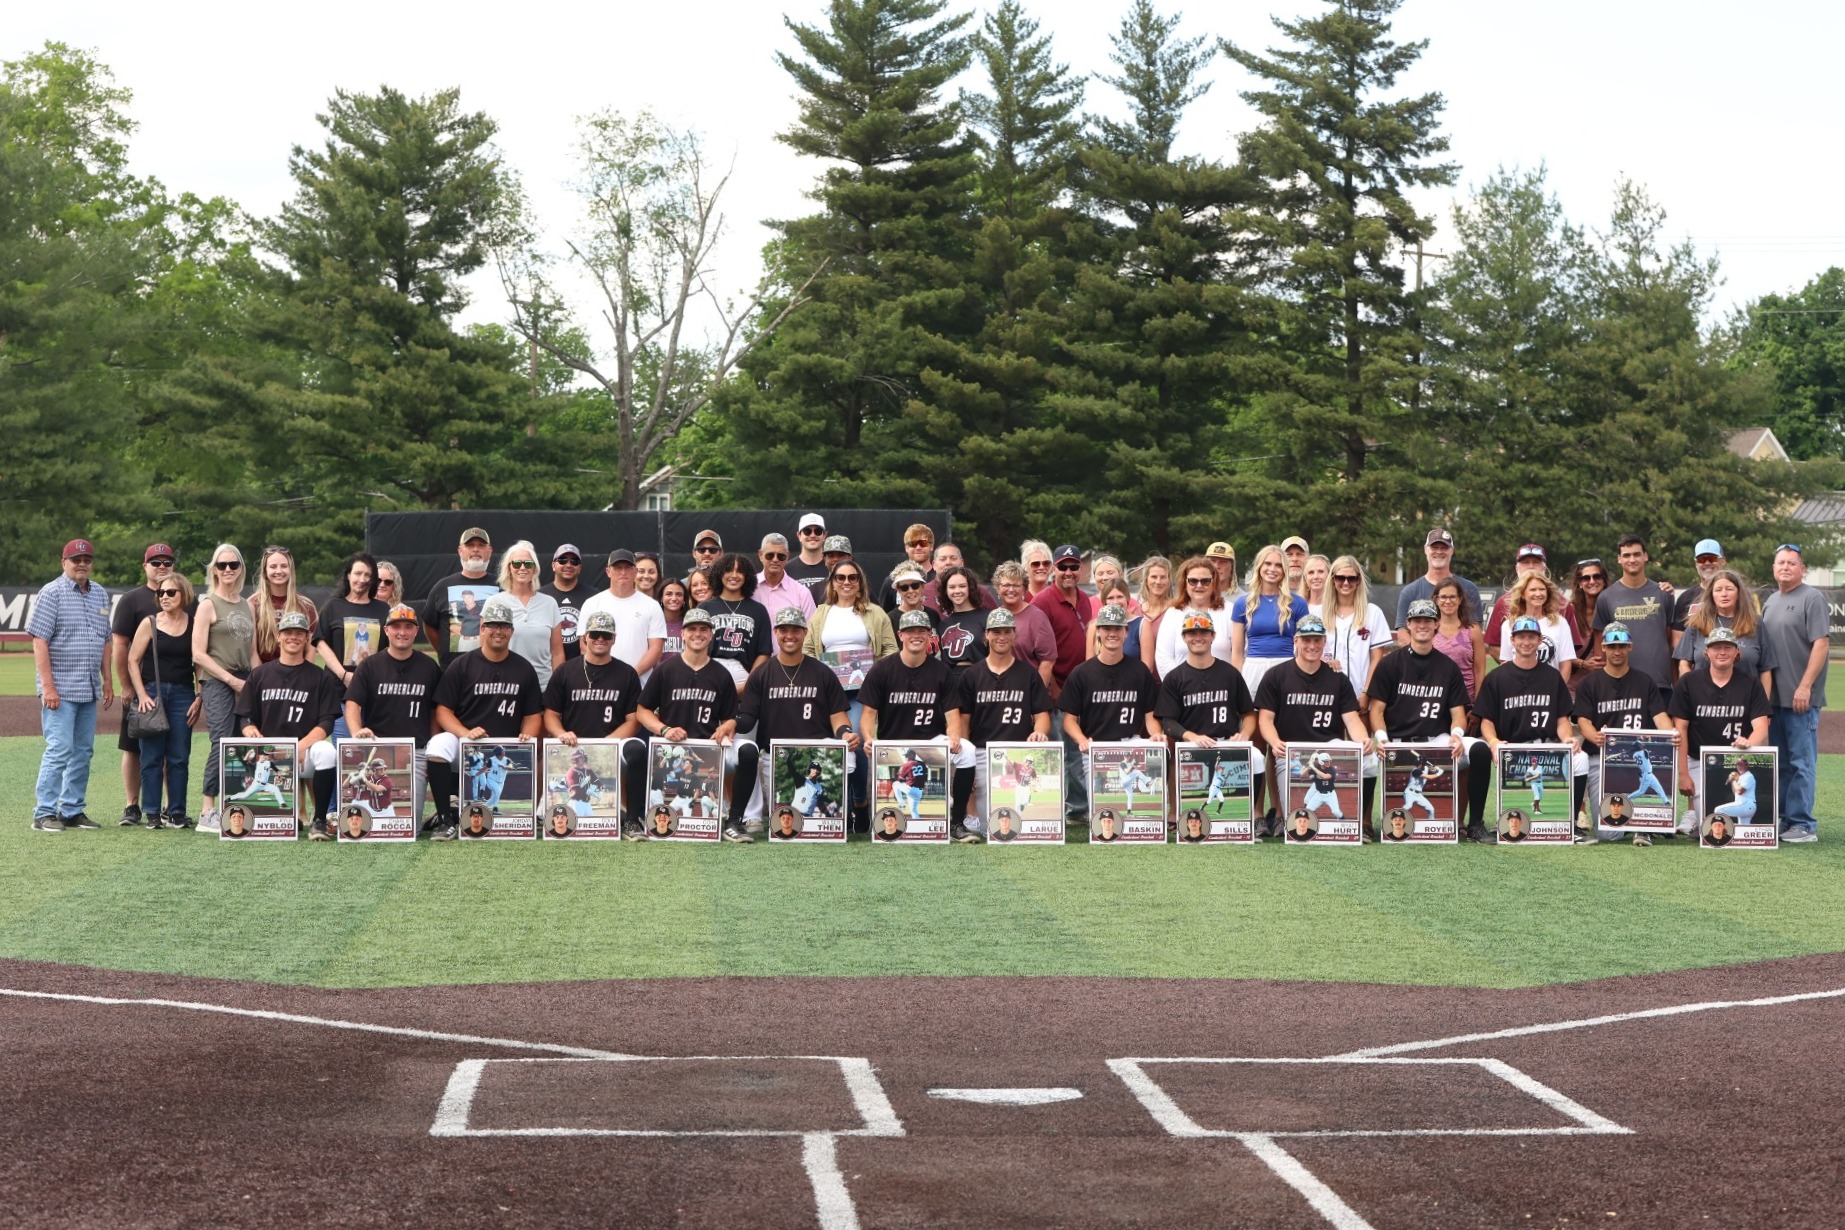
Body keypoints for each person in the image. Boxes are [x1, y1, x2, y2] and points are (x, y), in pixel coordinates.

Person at [1368, 598, 1491, 840]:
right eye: (1417, 620)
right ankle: (1364, 824)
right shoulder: (1390, 664)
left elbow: (1458, 715)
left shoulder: (1448, 667)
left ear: (1436, 624)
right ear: (1408, 624)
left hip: (1437, 741)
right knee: (1366, 760)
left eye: (1427, 620)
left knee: (1479, 750)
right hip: (1399, 743)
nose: (1422, 625)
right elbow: (1377, 710)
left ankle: (1475, 824)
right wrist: (1381, 739)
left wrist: (1457, 736)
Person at [426, 597, 545, 839]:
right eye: (492, 625)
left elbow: (533, 715)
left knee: (499, 793)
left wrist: (527, 737)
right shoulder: (462, 665)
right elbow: (443, 711)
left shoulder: (523, 668)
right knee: (437, 746)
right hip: (467, 746)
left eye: (503, 626)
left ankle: (515, 815)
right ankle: (445, 820)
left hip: (504, 749)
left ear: (511, 631)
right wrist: (465, 733)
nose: (498, 631)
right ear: (482, 628)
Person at [861, 608, 978, 840]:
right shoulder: (882, 669)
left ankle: (956, 822)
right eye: (910, 631)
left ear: (929, 635)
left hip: (930, 740)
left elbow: (952, 715)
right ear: (900, 635)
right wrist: (868, 738)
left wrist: (954, 736)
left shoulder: (941, 671)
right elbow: (868, 713)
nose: (916, 635)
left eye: (921, 631)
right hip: (894, 742)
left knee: (968, 751)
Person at [636, 607, 751, 841]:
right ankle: (640, 817)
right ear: (682, 633)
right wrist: (664, 729)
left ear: (711, 635)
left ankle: (735, 820)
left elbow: (730, 716)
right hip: (672, 749)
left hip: (711, 748)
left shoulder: (721, 674)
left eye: (703, 629)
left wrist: (727, 726)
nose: (697, 634)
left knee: (748, 751)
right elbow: (642, 710)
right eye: (692, 629)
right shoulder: (666, 669)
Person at [738, 606, 856, 835]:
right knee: (787, 823)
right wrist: (730, 722)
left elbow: (837, 714)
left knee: (849, 754)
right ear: (775, 632)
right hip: (778, 755)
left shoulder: (822, 672)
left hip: (817, 750)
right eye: (784, 630)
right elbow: (748, 718)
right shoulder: (761, 673)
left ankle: (843, 815)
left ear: (805, 633)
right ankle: (751, 815)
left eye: (795, 630)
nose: (789, 635)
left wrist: (845, 733)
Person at [1256, 615, 1375, 838]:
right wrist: (1274, 741)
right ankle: (1284, 816)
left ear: (1324, 642)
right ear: (1296, 641)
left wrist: (1363, 740)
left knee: (1370, 760)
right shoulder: (1276, 675)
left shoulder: (1338, 679)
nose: (1312, 645)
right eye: (1306, 640)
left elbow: (1351, 719)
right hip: (1292, 752)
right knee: (1297, 823)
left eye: (1317, 640)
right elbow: (1265, 719)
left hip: (1329, 749)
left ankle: (1358, 823)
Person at [235, 611, 344, 838]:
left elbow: (327, 721)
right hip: (268, 755)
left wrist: (301, 746)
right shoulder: (259, 675)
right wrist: (249, 728)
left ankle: (319, 820)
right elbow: (244, 716)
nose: (293, 637)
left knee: (327, 751)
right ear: (278, 636)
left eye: (299, 633)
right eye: (288, 632)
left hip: (304, 754)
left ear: (307, 638)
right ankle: (277, 816)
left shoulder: (320, 677)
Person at [1474, 616, 1583, 841]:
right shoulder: (1496, 677)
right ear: (1512, 640)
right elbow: (1487, 721)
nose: (1526, 642)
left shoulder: (1552, 676)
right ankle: (1500, 819)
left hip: (1547, 747)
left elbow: (1562, 719)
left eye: (1531, 637)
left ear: (1540, 640)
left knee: (1580, 759)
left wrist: (1568, 739)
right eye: (1521, 637)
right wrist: (1493, 742)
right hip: (1512, 749)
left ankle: (1571, 824)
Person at [30, 539, 113, 833]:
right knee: (59, 749)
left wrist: (108, 680)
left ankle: (72, 810)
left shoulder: (99, 593)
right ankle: (43, 813)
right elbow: (39, 641)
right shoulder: (52, 592)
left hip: (88, 687)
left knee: (83, 752)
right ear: (63, 562)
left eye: (87, 559)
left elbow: (105, 640)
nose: (82, 564)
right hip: (61, 689)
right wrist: (48, 687)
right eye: (76, 559)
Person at [947, 607, 1056, 826]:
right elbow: (964, 722)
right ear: (986, 635)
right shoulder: (972, 675)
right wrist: (967, 763)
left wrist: (1039, 732)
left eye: (1007, 631)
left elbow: (1042, 715)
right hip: (982, 752)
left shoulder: (1028, 673)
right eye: (996, 632)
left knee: (1020, 822)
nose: (1002, 637)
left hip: (1017, 751)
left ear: (1015, 635)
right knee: (987, 826)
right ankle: (970, 817)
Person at [542, 608, 645, 833]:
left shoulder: (627, 673)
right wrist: (561, 733)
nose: (600, 639)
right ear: (585, 637)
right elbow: (550, 714)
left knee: (637, 749)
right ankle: (553, 813)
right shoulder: (565, 671)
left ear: (614, 639)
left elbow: (634, 720)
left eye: (606, 635)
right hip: (573, 746)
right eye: (595, 634)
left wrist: (608, 743)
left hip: (613, 743)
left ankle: (632, 820)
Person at [1574, 622, 1677, 844]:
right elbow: (1583, 720)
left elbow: (1660, 716)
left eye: (1621, 645)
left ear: (1630, 646)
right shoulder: (1589, 683)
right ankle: (1635, 824)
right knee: (1608, 834)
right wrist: (1593, 736)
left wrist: (1671, 735)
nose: (1617, 651)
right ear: (1603, 647)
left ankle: (1645, 825)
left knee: (1653, 785)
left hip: (1634, 761)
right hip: (1602, 757)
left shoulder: (1645, 681)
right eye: (1612, 646)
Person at [1060, 604, 1161, 824]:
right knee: (1104, 820)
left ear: (1126, 632)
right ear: (1098, 631)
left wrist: (1155, 734)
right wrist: (1081, 739)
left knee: (1139, 820)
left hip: (1130, 745)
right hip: (1096, 748)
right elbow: (1069, 720)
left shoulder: (1139, 670)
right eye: (1106, 628)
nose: (1112, 633)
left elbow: (1150, 714)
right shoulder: (1082, 673)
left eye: (1117, 628)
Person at [345, 603, 443, 827]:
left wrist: (432, 743)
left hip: (416, 751)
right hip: (377, 748)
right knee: (367, 824)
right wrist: (356, 732)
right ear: (386, 630)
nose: (402, 632)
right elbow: (353, 704)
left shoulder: (429, 667)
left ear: (416, 631)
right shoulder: (369, 666)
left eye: (408, 627)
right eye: (396, 626)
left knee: (409, 827)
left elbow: (435, 711)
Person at [1758, 545, 1826, 842]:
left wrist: (1805, 685)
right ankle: (1786, 819)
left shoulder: (1812, 597)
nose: (1785, 567)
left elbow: (1821, 644)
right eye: (1780, 562)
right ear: (1773, 568)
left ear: (1803, 569)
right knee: (1782, 763)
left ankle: (1803, 824)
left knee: (1802, 763)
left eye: (1791, 563)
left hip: (1800, 699)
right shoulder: (1771, 600)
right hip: (1775, 699)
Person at [110, 543, 181, 827]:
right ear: (145, 566)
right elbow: (120, 646)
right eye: (156, 562)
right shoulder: (132, 599)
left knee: (170, 748)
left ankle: (168, 806)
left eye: (167, 562)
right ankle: (132, 805)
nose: (162, 566)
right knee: (133, 747)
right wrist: (126, 686)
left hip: (175, 687)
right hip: (143, 687)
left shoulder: (184, 597)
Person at [1670, 625, 1772, 821]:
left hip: (1736, 760)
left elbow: (1761, 728)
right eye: (1717, 647)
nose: (1722, 652)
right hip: (1699, 761)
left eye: (1728, 647)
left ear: (1737, 652)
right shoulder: (1689, 682)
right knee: (1710, 819)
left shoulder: (1751, 684)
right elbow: (1680, 728)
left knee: (1725, 818)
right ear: (1707, 652)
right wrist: (1683, 774)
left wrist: (1749, 743)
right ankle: (1695, 817)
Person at [126, 570, 199, 829]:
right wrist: (142, 694)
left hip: (183, 694)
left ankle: (177, 812)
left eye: (170, 592)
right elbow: (133, 660)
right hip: (152, 693)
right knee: (151, 757)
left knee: (179, 756)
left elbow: (199, 662)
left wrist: (199, 696)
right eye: (160, 592)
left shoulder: (194, 623)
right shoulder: (150, 623)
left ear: (184, 595)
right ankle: (152, 813)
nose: (164, 597)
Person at [192, 544, 254, 832]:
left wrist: (256, 681)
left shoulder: (248, 605)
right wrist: (231, 680)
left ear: (241, 568)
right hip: (217, 679)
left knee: (244, 740)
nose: (228, 569)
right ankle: (208, 810)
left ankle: (237, 805)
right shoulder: (208, 605)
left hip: (244, 677)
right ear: (214, 570)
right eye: (222, 565)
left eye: (233, 564)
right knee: (222, 740)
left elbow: (252, 652)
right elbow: (198, 654)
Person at [805, 558, 898, 720]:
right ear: (833, 583)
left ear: (860, 582)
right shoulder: (819, 614)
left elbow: (890, 649)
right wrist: (819, 674)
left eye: (852, 577)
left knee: (856, 732)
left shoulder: (876, 613)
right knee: (831, 733)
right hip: (829, 687)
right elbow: (808, 649)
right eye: (840, 577)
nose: (846, 582)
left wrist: (877, 673)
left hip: (864, 689)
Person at [1593, 535, 1677, 711]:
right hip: (1620, 685)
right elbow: (1600, 647)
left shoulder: (1664, 594)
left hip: (1659, 685)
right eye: (1626, 555)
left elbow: (1671, 643)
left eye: (1637, 554)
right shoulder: (1606, 597)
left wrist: (1675, 684)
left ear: (1645, 556)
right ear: (1619, 559)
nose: (1632, 559)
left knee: (1662, 730)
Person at [315, 554, 389, 730]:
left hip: (374, 695)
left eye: (367, 575)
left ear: (372, 580)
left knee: (377, 745)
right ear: (348, 575)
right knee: (346, 745)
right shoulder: (333, 606)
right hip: (339, 694)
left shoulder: (383, 609)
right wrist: (344, 675)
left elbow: (389, 648)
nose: (362, 579)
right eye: (357, 573)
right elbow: (321, 643)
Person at [579, 548, 668, 685]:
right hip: (600, 684)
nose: (623, 572)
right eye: (618, 568)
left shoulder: (652, 606)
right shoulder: (592, 604)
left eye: (628, 568)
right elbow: (584, 645)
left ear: (635, 571)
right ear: (608, 571)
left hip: (638, 685)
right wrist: (605, 675)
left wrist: (631, 676)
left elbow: (656, 649)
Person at [1232, 545, 1309, 703]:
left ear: (1284, 570)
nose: (1272, 569)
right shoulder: (1242, 603)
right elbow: (1237, 651)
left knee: (1286, 716)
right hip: (1253, 667)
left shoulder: (1298, 603)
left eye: (1278, 565)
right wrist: (1236, 682)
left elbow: (1305, 645)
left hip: (1287, 666)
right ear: (1259, 566)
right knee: (1252, 715)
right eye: (1268, 563)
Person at [1321, 556, 1391, 717]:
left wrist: (1367, 692)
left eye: (1351, 578)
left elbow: (1377, 658)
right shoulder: (1320, 613)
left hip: (1360, 691)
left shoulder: (1372, 612)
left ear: (1358, 580)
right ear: (1333, 579)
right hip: (1325, 691)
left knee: (1361, 733)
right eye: (1340, 577)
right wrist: (1324, 660)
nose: (1346, 582)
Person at [1675, 569, 1773, 683]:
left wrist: (1763, 695)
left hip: (1746, 693)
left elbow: (1766, 669)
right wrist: (1690, 689)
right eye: (1718, 590)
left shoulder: (1755, 623)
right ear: (1711, 595)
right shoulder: (1697, 623)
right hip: (1703, 693)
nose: (1724, 594)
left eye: (1729, 589)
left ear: (1739, 593)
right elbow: (1684, 664)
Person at [424, 526, 497, 668]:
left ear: (489, 551)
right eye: (470, 545)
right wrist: (444, 651)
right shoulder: (442, 587)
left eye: (481, 545)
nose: (475, 549)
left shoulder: (502, 586)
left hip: (491, 669)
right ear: (460, 550)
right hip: (453, 669)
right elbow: (429, 624)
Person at [1033, 544, 1095, 700]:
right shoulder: (1041, 602)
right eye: (1062, 567)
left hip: (1084, 687)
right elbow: (1037, 654)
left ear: (1081, 569)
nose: (1068, 572)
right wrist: (1054, 689)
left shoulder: (1085, 598)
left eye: (1074, 567)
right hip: (1057, 691)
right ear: (1054, 569)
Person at [1155, 557, 1234, 678]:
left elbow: (1240, 653)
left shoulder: (1230, 611)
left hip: (1223, 685)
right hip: (1181, 685)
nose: (1199, 585)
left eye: (1205, 581)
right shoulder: (1173, 614)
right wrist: (1179, 684)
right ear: (1185, 583)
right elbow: (1164, 657)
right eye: (1193, 581)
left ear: (1214, 583)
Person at [1396, 528, 1482, 635]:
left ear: (1452, 551)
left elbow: (1475, 632)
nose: (1439, 551)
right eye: (1434, 547)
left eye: (1444, 547)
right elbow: (1402, 634)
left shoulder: (1469, 588)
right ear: (1425, 550)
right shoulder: (1409, 592)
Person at [1495, 573, 1576, 685]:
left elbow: (1566, 664)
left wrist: (1557, 690)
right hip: (1519, 690)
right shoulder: (1509, 625)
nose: (1538, 594)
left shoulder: (1560, 623)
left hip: (1551, 689)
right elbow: (1507, 663)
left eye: (1542, 589)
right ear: (1522, 594)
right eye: (1533, 590)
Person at [991, 562, 1057, 690]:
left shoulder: (1036, 617)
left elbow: (1047, 662)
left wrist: (1035, 695)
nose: (1011, 589)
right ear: (998, 589)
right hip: (1000, 693)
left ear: (1024, 589)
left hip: (1028, 691)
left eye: (1016, 585)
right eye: (1006, 585)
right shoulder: (994, 616)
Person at [250, 545, 319, 667]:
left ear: (290, 570)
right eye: (273, 566)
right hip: (263, 674)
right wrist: (261, 676)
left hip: (298, 673)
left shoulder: (306, 606)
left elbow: (310, 650)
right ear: (265, 572)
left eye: (283, 566)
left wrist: (304, 676)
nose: (279, 571)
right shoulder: (252, 604)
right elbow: (252, 653)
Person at [1482, 544, 1553, 655]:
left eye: (1536, 562)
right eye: (1525, 562)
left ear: (1544, 568)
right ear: (1517, 568)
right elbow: (1494, 646)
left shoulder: (1562, 604)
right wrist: (1515, 665)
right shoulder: (1504, 602)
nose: (1531, 567)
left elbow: (1571, 648)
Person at [1431, 577, 1488, 705]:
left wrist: (1478, 705)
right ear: (1437, 600)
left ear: (1460, 599)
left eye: (1452, 597)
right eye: (1443, 597)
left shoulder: (1473, 630)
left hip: (1467, 701)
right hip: (1437, 701)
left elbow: (1479, 670)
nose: (1448, 601)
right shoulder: (1430, 629)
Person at [1564, 558, 1610, 691]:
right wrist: (1582, 663)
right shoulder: (1568, 612)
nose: (1592, 581)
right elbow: (1557, 650)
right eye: (1586, 578)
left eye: (1597, 576)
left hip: (1603, 688)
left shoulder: (1614, 610)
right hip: (1571, 688)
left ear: (1604, 581)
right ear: (1579, 583)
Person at [936, 565, 990, 670]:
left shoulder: (987, 618)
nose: (957, 591)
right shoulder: (943, 625)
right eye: (952, 587)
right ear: (945, 590)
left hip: (979, 675)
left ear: (970, 588)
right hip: (951, 678)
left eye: (962, 586)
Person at [755, 533, 817, 622]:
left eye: (781, 556)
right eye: (770, 555)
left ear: (787, 556)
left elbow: (811, 628)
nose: (775, 560)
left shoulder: (802, 593)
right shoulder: (748, 588)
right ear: (760, 555)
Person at [542, 543, 589, 662]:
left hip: (581, 667)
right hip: (546, 666)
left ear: (580, 568)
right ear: (553, 565)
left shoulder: (593, 597)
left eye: (574, 561)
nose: (568, 565)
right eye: (562, 560)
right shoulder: (540, 596)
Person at [876, 524, 937, 612]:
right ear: (906, 548)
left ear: (931, 546)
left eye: (923, 543)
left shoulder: (939, 579)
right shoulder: (892, 581)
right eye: (913, 543)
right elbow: (884, 616)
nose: (918, 547)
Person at [1671, 538, 1728, 632]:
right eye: (1701, 559)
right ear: (1696, 564)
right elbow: (1677, 637)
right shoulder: (1685, 598)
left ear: (1723, 561)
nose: (1707, 563)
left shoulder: (1736, 594)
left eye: (1712, 558)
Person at [1133, 556, 1176, 679]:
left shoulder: (1178, 611)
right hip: (1140, 681)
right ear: (1146, 579)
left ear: (1169, 580)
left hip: (1170, 681)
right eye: (1154, 577)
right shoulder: (1135, 613)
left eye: (1163, 577)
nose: (1158, 581)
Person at [1085, 578, 1142, 662]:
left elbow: (1146, 666)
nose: (1115, 602)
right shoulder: (1094, 626)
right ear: (1104, 601)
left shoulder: (1141, 625)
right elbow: (1089, 664)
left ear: (1127, 598)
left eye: (1120, 597)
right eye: (1110, 598)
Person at [889, 566, 941, 652]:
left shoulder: (933, 615)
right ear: (898, 590)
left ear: (923, 587)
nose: (910, 591)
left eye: (915, 586)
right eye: (904, 587)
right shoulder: (890, 619)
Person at [787, 514, 832, 601]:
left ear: (825, 535)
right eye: (807, 531)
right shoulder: (787, 569)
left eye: (818, 531)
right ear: (799, 535)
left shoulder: (833, 567)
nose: (812, 535)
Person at [1711, 757, 1758, 827]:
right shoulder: (1741, 777)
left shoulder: (1748, 776)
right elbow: (1736, 793)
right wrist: (1733, 781)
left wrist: (1733, 780)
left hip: (1746, 804)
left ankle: (1727, 830)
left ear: (1747, 766)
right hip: (1744, 805)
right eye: (1737, 764)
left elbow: (1739, 791)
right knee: (1743, 828)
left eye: (1741, 764)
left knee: (1718, 810)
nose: (1739, 766)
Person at [658, 579, 689, 667]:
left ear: (684, 599)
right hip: (658, 674)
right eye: (669, 594)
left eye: (678, 594)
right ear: (661, 598)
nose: (674, 598)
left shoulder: (690, 625)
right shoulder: (653, 624)